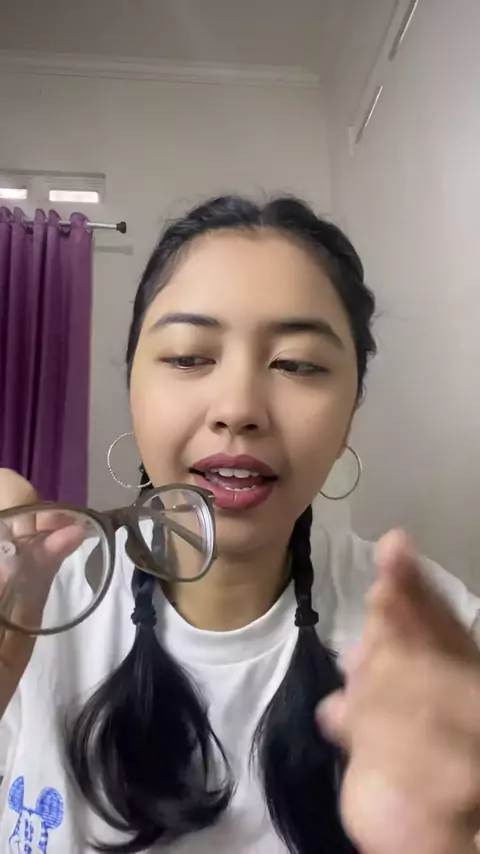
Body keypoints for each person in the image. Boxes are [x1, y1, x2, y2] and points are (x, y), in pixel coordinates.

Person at [0, 195, 480, 854]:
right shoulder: (31, 604)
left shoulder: (438, 642)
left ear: (350, 414)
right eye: (188, 357)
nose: (238, 408)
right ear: (133, 388)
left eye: (297, 364)